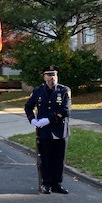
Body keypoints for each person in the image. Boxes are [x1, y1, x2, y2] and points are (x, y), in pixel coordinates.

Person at [24, 65, 72, 194]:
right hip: (44, 131)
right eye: (49, 75)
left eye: (54, 75)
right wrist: (32, 120)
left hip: (60, 130)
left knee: (59, 159)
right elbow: (28, 106)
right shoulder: (38, 91)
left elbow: (66, 110)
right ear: (44, 77)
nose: (52, 78)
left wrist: (49, 119)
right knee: (45, 158)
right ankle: (46, 183)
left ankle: (57, 183)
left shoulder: (64, 90)